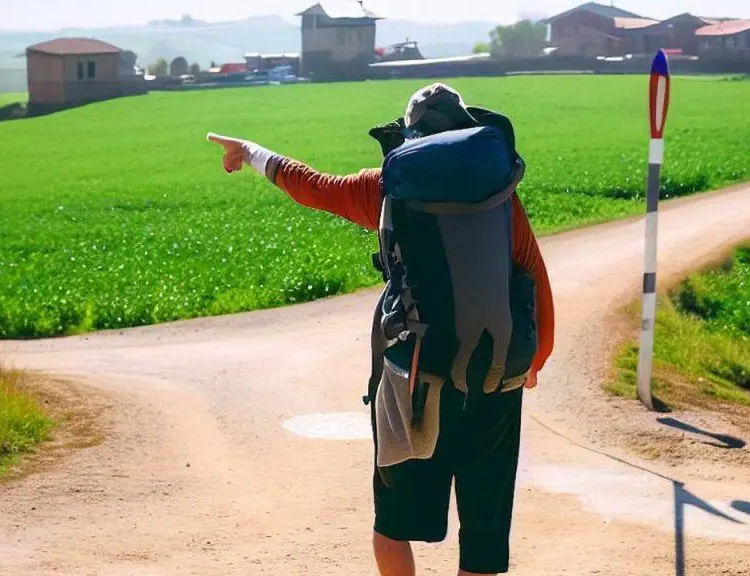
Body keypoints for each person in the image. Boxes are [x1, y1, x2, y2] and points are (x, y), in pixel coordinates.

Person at [209, 83, 554, 576]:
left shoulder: (388, 186)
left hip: (412, 374)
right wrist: (535, 359)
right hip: (497, 376)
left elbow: (312, 185)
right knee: (483, 531)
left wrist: (250, 152)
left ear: (412, 133)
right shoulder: (500, 193)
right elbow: (533, 275)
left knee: (394, 521)